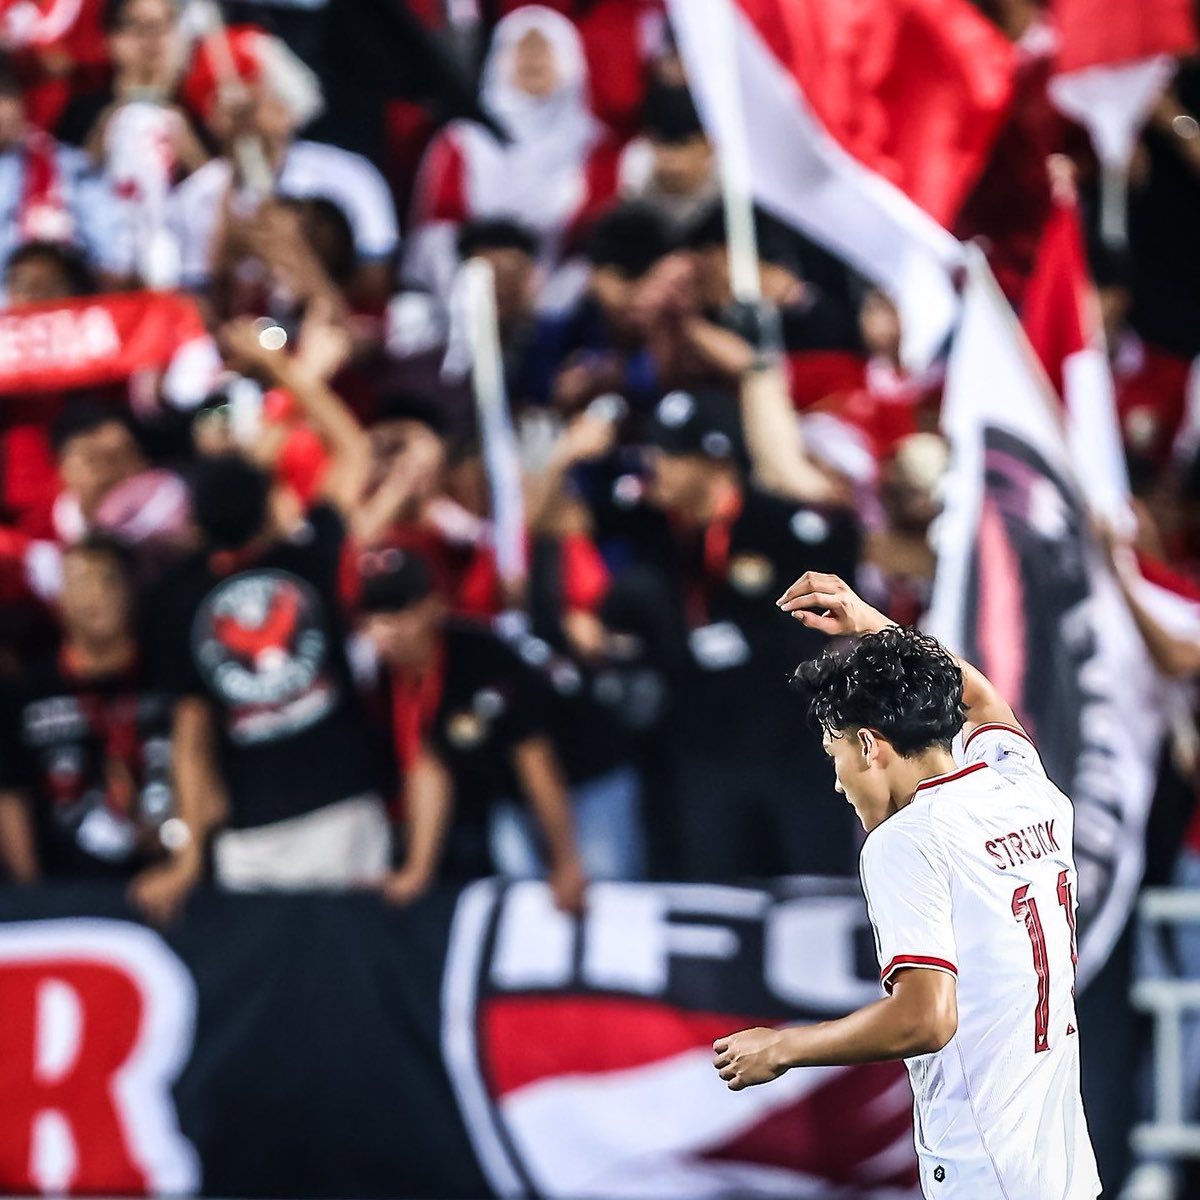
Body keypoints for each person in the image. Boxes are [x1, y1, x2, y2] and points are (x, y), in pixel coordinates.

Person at [713, 571, 1101, 1200]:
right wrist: (876, 628)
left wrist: (784, 1049)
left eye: (834, 754)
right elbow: (975, 697)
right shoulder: (1028, 790)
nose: (838, 783)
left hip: (986, 1172)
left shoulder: (906, 841)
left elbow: (926, 1018)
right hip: (1061, 1166)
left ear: (869, 745)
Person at [145, 318, 384, 895]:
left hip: (252, 830)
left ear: (196, 521)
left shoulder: (178, 596)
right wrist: (285, 370)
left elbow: (190, 736)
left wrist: (188, 854)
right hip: (343, 805)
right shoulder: (309, 558)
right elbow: (354, 450)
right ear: (274, 503)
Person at [355, 547, 587, 912]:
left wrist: (567, 861)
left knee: (599, 885)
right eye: (373, 615)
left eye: (399, 610)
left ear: (434, 605)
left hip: (584, 778)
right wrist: (418, 871)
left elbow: (536, 762)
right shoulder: (389, 675)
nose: (386, 628)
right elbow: (429, 766)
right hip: (508, 794)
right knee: (525, 896)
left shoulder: (482, 660)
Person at [0, 535, 197, 924]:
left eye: (107, 581)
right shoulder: (25, 693)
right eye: (78, 582)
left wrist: (187, 865)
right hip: (69, 893)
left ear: (131, 590)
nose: (93, 595)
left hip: (174, 884)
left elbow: (202, 766)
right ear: (58, 599)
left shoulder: (172, 677)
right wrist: (33, 895)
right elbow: (11, 796)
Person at [405, 4, 617, 305]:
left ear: (571, 58)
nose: (532, 59)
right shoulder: (463, 141)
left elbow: (596, 244)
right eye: (521, 47)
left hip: (563, 308)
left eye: (543, 48)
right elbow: (435, 236)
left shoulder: (596, 148)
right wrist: (474, 292)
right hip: (466, 295)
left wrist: (548, 297)